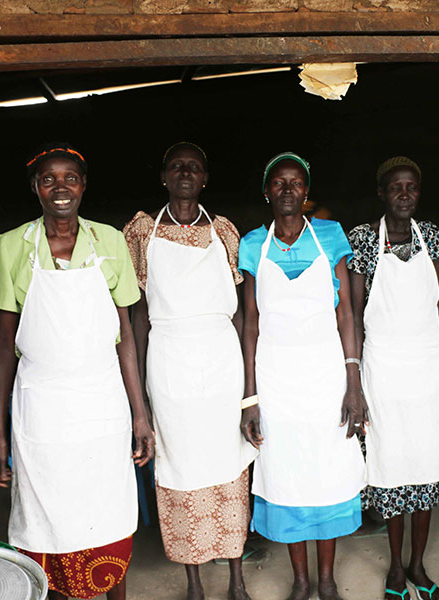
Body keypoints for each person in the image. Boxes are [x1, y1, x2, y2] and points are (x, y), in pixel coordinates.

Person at [0, 142, 155, 600]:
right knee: (49, 516)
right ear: (35, 188)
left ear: (83, 185)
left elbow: (125, 338)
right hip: (41, 405)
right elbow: (4, 345)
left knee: (107, 507)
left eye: (70, 178)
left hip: (102, 401)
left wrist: (140, 414)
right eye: (48, 179)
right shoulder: (11, 246)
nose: (60, 188)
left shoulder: (110, 241)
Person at [123, 142, 258, 600]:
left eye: (194, 167)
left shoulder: (224, 232)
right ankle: (195, 583)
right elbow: (137, 315)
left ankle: (236, 578)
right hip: (168, 362)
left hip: (222, 361)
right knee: (179, 467)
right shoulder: (142, 231)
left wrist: (248, 390)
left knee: (229, 463)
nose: (185, 173)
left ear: (205, 178)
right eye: (177, 166)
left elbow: (241, 315)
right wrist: (138, 389)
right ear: (164, 176)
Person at [239, 152, 367, 600]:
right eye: (279, 182)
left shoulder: (331, 236)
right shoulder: (253, 244)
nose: (288, 189)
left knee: (326, 470)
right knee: (288, 472)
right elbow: (250, 323)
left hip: (326, 373)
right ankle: (300, 580)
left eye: (296, 183)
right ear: (267, 191)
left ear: (306, 192)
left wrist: (354, 381)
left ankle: (327, 579)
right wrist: (250, 397)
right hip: (275, 378)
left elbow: (347, 312)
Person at [347, 156, 439, 600]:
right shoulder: (362, 239)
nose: (404, 195)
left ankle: (418, 564)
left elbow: (438, 308)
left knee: (428, 462)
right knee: (392, 464)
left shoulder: (429, 236)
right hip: (383, 369)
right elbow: (355, 316)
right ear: (382, 193)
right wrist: (354, 380)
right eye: (396, 187)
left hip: (428, 367)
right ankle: (396, 567)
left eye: (411, 187)